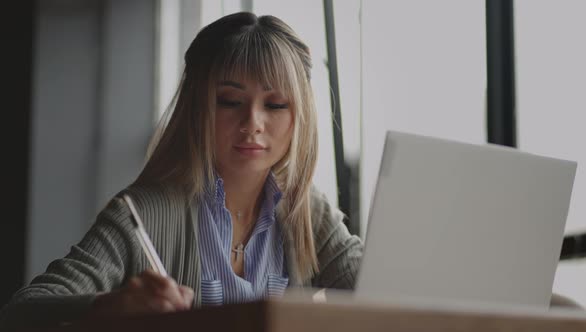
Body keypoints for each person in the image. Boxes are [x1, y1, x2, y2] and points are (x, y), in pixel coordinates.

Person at [0, 12, 363, 329]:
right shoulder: (141, 212)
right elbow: (21, 312)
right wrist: (107, 306)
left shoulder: (307, 211)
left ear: (300, 117)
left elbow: (381, 287)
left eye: (276, 104)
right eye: (230, 101)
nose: (253, 122)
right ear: (197, 108)